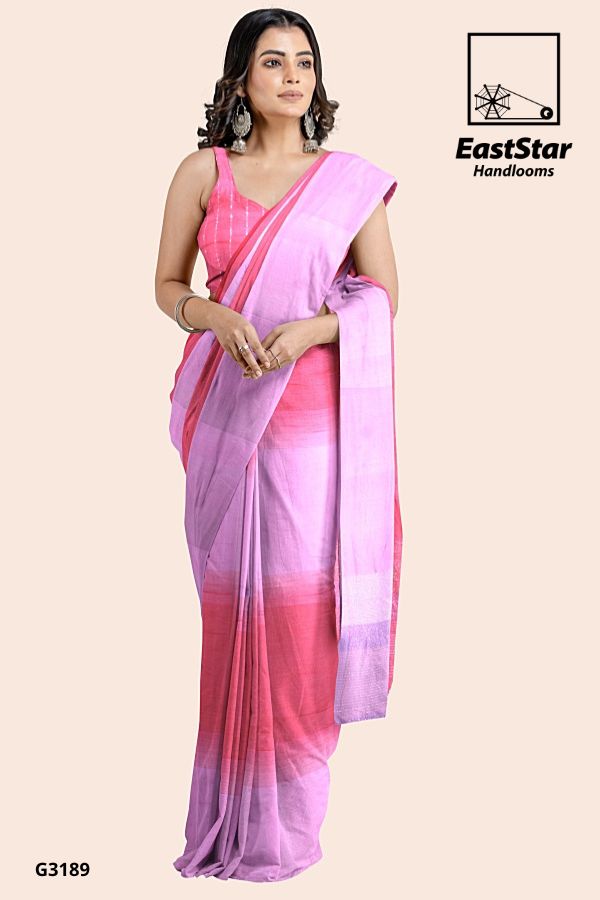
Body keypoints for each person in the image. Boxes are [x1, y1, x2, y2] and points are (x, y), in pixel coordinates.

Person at [155, 7, 403, 883]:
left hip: (311, 433)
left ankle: (288, 822)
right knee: (235, 617)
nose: (293, 76)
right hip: (224, 419)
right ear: (240, 79)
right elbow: (166, 285)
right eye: (273, 61)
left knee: (301, 621)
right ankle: (230, 815)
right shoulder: (202, 173)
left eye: (304, 61)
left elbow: (382, 298)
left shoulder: (348, 182)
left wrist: (308, 333)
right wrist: (213, 315)